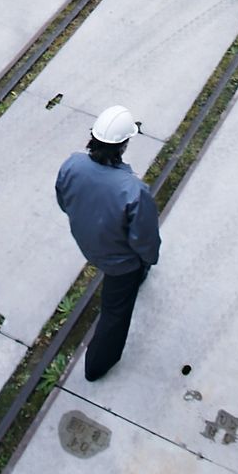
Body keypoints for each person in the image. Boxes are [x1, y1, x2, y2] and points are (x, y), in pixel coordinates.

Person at [55, 105, 160, 382]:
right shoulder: (133, 191)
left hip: (89, 244)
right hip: (120, 264)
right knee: (115, 312)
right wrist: (148, 259)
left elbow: (63, 200)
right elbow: (145, 240)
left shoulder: (71, 165)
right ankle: (97, 366)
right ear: (124, 145)